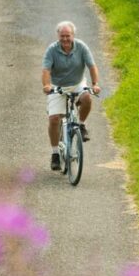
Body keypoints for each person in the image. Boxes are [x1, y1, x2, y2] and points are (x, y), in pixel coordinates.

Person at [42, 21, 100, 171]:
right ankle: (55, 153)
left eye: (68, 36)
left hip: (77, 84)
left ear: (73, 35)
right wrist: (47, 86)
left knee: (87, 98)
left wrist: (95, 84)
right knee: (54, 119)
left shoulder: (81, 47)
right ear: (58, 36)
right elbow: (46, 70)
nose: (65, 39)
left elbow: (91, 66)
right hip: (58, 86)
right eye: (62, 36)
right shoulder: (52, 50)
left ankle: (81, 125)